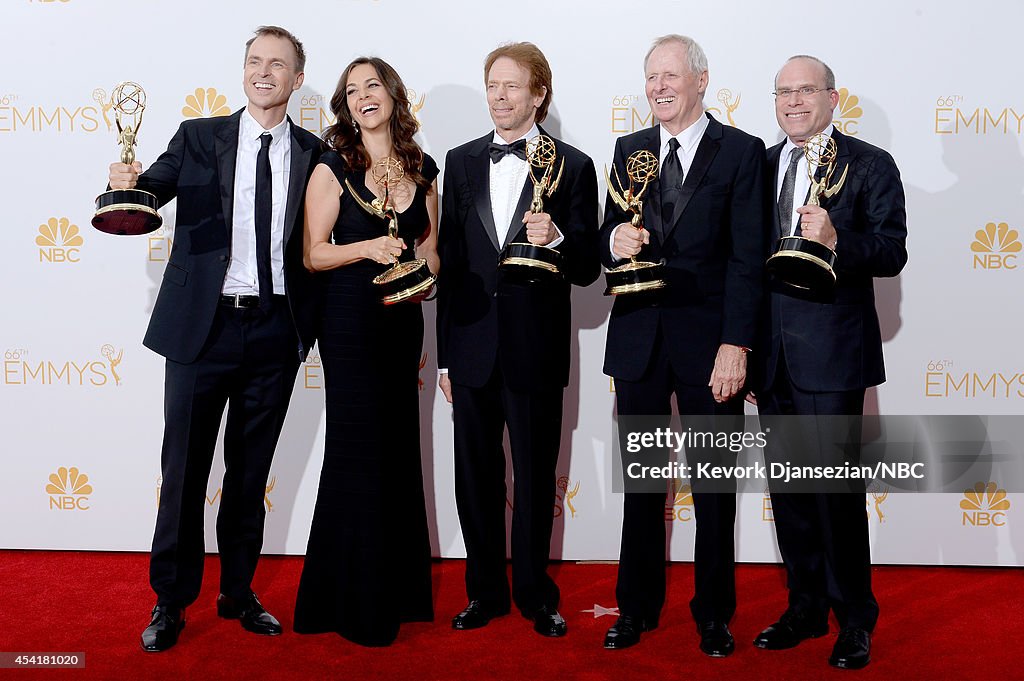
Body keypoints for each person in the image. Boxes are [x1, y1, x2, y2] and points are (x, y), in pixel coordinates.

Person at [106, 26, 322, 652]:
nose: (263, 73)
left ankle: (239, 591)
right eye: (254, 62)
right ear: (243, 71)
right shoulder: (200, 137)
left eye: (277, 64)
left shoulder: (313, 154)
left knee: (251, 474)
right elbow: (151, 191)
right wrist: (129, 182)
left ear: (296, 79)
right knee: (184, 473)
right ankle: (170, 601)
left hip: (275, 333)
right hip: (203, 331)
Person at [600, 34, 768, 656]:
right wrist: (613, 241)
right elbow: (604, 235)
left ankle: (713, 615)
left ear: (700, 80)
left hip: (710, 347)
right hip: (640, 339)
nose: (658, 88)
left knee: (714, 488)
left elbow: (751, 258)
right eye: (650, 78)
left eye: (670, 76)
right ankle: (634, 609)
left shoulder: (742, 152)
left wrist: (737, 344)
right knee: (642, 485)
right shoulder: (629, 149)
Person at [749, 54, 907, 671]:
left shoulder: (870, 164)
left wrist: (838, 240)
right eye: (783, 92)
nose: (793, 102)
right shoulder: (758, 167)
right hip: (772, 355)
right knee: (788, 493)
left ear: (832, 98)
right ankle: (806, 607)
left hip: (833, 355)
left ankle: (854, 619)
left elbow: (891, 251)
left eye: (805, 90)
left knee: (835, 494)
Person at [436, 42, 600, 638]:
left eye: (511, 86)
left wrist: (556, 236)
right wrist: (447, 357)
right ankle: (483, 593)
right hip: (472, 349)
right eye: (492, 85)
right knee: (474, 477)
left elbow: (588, 267)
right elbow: (450, 264)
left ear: (539, 94)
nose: (499, 97)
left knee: (533, 478)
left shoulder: (576, 166)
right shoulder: (457, 161)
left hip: (535, 351)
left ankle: (535, 593)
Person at [294, 56, 437, 647]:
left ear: (392, 94)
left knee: (400, 448)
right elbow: (313, 254)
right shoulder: (332, 167)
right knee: (357, 449)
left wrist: (417, 270)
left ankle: (399, 592)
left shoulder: (424, 169)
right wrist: (368, 249)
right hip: (349, 323)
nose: (362, 97)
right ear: (345, 106)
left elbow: (433, 254)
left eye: (371, 85)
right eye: (352, 91)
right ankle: (348, 600)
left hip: (402, 324)